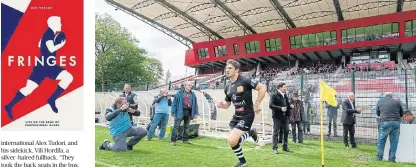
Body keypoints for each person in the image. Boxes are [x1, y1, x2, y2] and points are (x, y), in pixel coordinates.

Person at [4, 16, 73, 119]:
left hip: (45, 65)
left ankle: (51, 99)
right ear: (53, 24)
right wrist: (61, 44)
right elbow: (50, 49)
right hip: (45, 66)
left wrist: (51, 44)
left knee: (68, 77)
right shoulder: (49, 33)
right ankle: (9, 106)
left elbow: (39, 44)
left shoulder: (48, 33)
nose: (61, 24)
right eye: (59, 22)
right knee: (29, 89)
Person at [216, 59, 266, 167]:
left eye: (230, 68)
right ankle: (243, 162)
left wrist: (257, 104)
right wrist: (222, 104)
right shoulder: (227, 86)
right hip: (236, 116)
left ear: (237, 70)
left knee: (232, 140)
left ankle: (251, 133)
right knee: (232, 142)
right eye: (226, 68)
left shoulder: (245, 80)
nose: (227, 70)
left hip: (247, 115)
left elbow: (262, 88)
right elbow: (227, 104)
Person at [376, 92, 404, 162]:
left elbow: (377, 113)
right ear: (392, 96)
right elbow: (401, 114)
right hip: (396, 123)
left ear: (384, 96)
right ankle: (392, 159)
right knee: (394, 141)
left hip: (385, 122)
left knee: (381, 140)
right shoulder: (397, 102)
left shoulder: (380, 101)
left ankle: (379, 157)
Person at [171, 81, 199, 146]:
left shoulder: (193, 94)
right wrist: (173, 113)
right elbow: (174, 104)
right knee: (176, 126)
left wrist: (196, 113)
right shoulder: (179, 93)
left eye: (191, 85)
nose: (190, 86)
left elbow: (195, 104)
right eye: (189, 85)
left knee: (186, 127)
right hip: (180, 111)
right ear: (185, 86)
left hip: (189, 112)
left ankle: (185, 140)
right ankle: (173, 141)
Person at [269, 82, 293, 154]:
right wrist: (280, 108)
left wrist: (290, 106)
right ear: (280, 87)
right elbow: (271, 105)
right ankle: (274, 148)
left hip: (285, 116)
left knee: (286, 131)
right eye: (284, 87)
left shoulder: (285, 95)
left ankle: (285, 147)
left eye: (286, 87)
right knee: (276, 132)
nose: (285, 88)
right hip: (277, 116)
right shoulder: (274, 95)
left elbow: (287, 104)